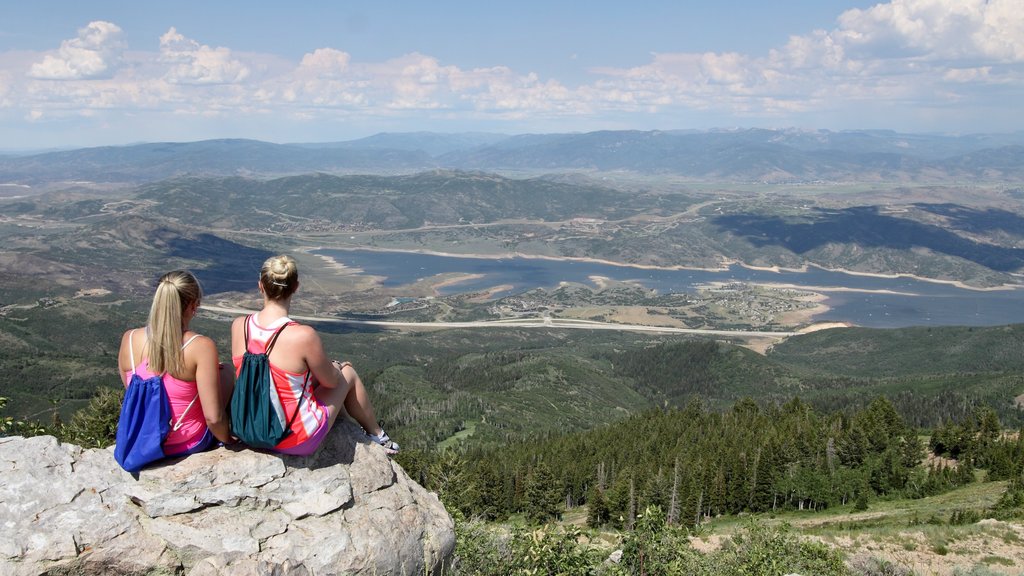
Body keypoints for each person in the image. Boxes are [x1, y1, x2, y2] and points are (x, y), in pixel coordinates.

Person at [230, 254, 399, 455]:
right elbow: (331, 382)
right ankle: (377, 435)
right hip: (292, 438)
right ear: (295, 287)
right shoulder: (303, 335)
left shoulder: (240, 326)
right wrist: (336, 367)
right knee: (348, 374)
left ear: (260, 286)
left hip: (249, 428)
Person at [117, 270, 235, 457]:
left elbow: (135, 394)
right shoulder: (200, 346)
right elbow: (213, 418)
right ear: (193, 306)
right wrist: (229, 440)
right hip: (185, 442)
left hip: (142, 440)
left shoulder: (129, 339)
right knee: (227, 370)